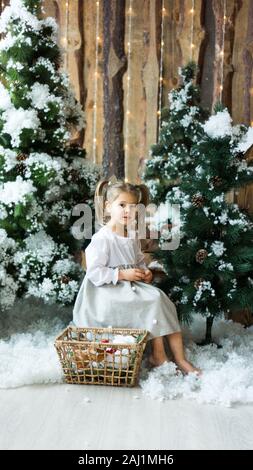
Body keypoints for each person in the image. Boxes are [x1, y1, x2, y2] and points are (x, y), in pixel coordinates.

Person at [73, 178, 201, 375]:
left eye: (133, 207)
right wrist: (123, 273)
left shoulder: (131, 234)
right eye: (122, 205)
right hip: (105, 292)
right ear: (108, 208)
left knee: (161, 299)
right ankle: (158, 355)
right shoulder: (102, 238)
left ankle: (180, 358)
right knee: (152, 300)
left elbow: (138, 260)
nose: (127, 211)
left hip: (129, 285)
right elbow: (94, 272)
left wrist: (145, 271)